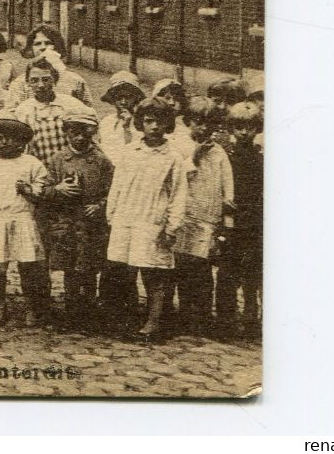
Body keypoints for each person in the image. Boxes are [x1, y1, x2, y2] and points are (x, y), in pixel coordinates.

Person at [105, 96, 190, 343]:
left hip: (152, 220)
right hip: (126, 218)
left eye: (160, 122)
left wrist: (172, 226)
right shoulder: (130, 151)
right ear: (141, 123)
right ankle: (127, 318)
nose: (154, 126)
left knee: (154, 275)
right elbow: (118, 185)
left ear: (168, 125)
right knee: (123, 271)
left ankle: (153, 322)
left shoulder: (173, 157)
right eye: (149, 121)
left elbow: (178, 194)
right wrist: (112, 215)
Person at [37, 106, 114, 333]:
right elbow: (44, 190)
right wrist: (58, 189)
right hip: (67, 222)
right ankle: (71, 312)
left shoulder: (101, 161)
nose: (80, 137)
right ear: (66, 133)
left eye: (85, 132)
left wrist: (99, 206)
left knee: (89, 269)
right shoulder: (58, 160)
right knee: (70, 269)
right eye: (74, 132)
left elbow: (113, 191)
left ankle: (88, 314)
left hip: (91, 225)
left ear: (92, 133)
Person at [0, 116, 50, 327]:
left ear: (21, 141)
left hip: (23, 219)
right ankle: (0, 305)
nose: (5, 142)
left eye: (10, 138)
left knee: (27, 267)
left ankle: (31, 307)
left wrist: (28, 190)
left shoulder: (32, 164)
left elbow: (41, 192)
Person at [172, 96, 234, 337]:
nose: (203, 128)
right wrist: (195, 156)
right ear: (188, 122)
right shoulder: (181, 146)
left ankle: (203, 314)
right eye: (198, 122)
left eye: (209, 123)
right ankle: (185, 312)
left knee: (203, 267)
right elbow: (179, 176)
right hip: (186, 214)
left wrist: (225, 214)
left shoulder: (219, 153)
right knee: (183, 265)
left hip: (208, 217)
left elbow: (227, 185)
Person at [217, 94, 263, 340]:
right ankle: (225, 319)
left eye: (250, 127)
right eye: (239, 127)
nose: (245, 132)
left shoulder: (261, 158)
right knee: (228, 270)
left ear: (257, 129)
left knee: (252, 272)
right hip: (232, 220)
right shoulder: (226, 156)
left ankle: (251, 317)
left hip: (254, 221)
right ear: (231, 128)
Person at [11, 56, 88, 166]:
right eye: (34, 80)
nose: (41, 85)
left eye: (46, 79)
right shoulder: (23, 110)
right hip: (39, 166)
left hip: (71, 165)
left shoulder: (72, 104)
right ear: (28, 83)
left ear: (55, 80)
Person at [6, 24, 90, 106]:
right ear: (31, 49)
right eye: (37, 44)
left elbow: (87, 113)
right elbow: (11, 113)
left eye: (48, 43)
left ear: (57, 46)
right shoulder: (20, 83)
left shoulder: (76, 81)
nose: (43, 47)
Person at [97, 71, 146, 164]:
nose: (123, 102)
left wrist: (127, 128)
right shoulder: (106, 121)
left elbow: (137, 153)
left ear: (136, 98)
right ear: (113, 98)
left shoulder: (142, 122)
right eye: (119, 97)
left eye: (128, 97)